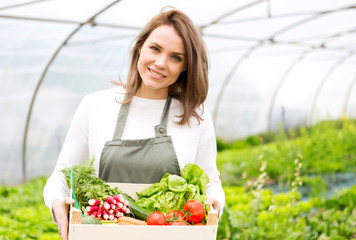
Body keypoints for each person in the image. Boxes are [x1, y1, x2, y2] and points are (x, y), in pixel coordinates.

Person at [43, 7, 225, 240]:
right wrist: (57, 202)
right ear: (140, 47)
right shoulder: (96, 106)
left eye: (175, 57)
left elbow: (212, 183)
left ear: (186, 66)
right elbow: (61, 176)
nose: (160, 63)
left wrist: (214, 204)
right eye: (155, 48)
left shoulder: (195, 116)